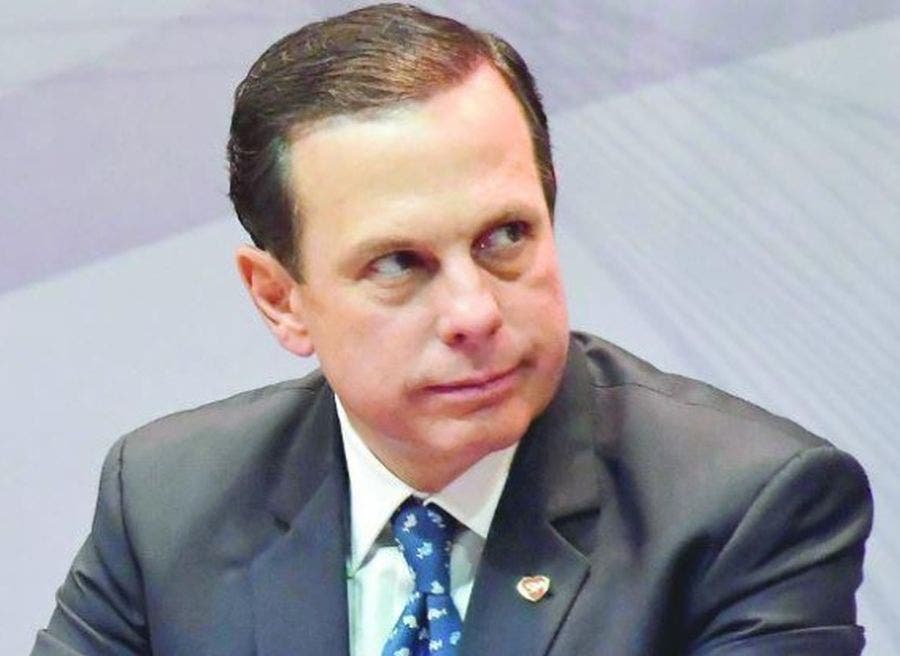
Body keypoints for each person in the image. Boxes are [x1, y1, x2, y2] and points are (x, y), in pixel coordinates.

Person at [32, 4, 872, 655]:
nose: (475, 314)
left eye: (505, 237)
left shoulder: (747, 509)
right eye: (400, 263)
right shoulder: (167, 500)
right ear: (280, 298)